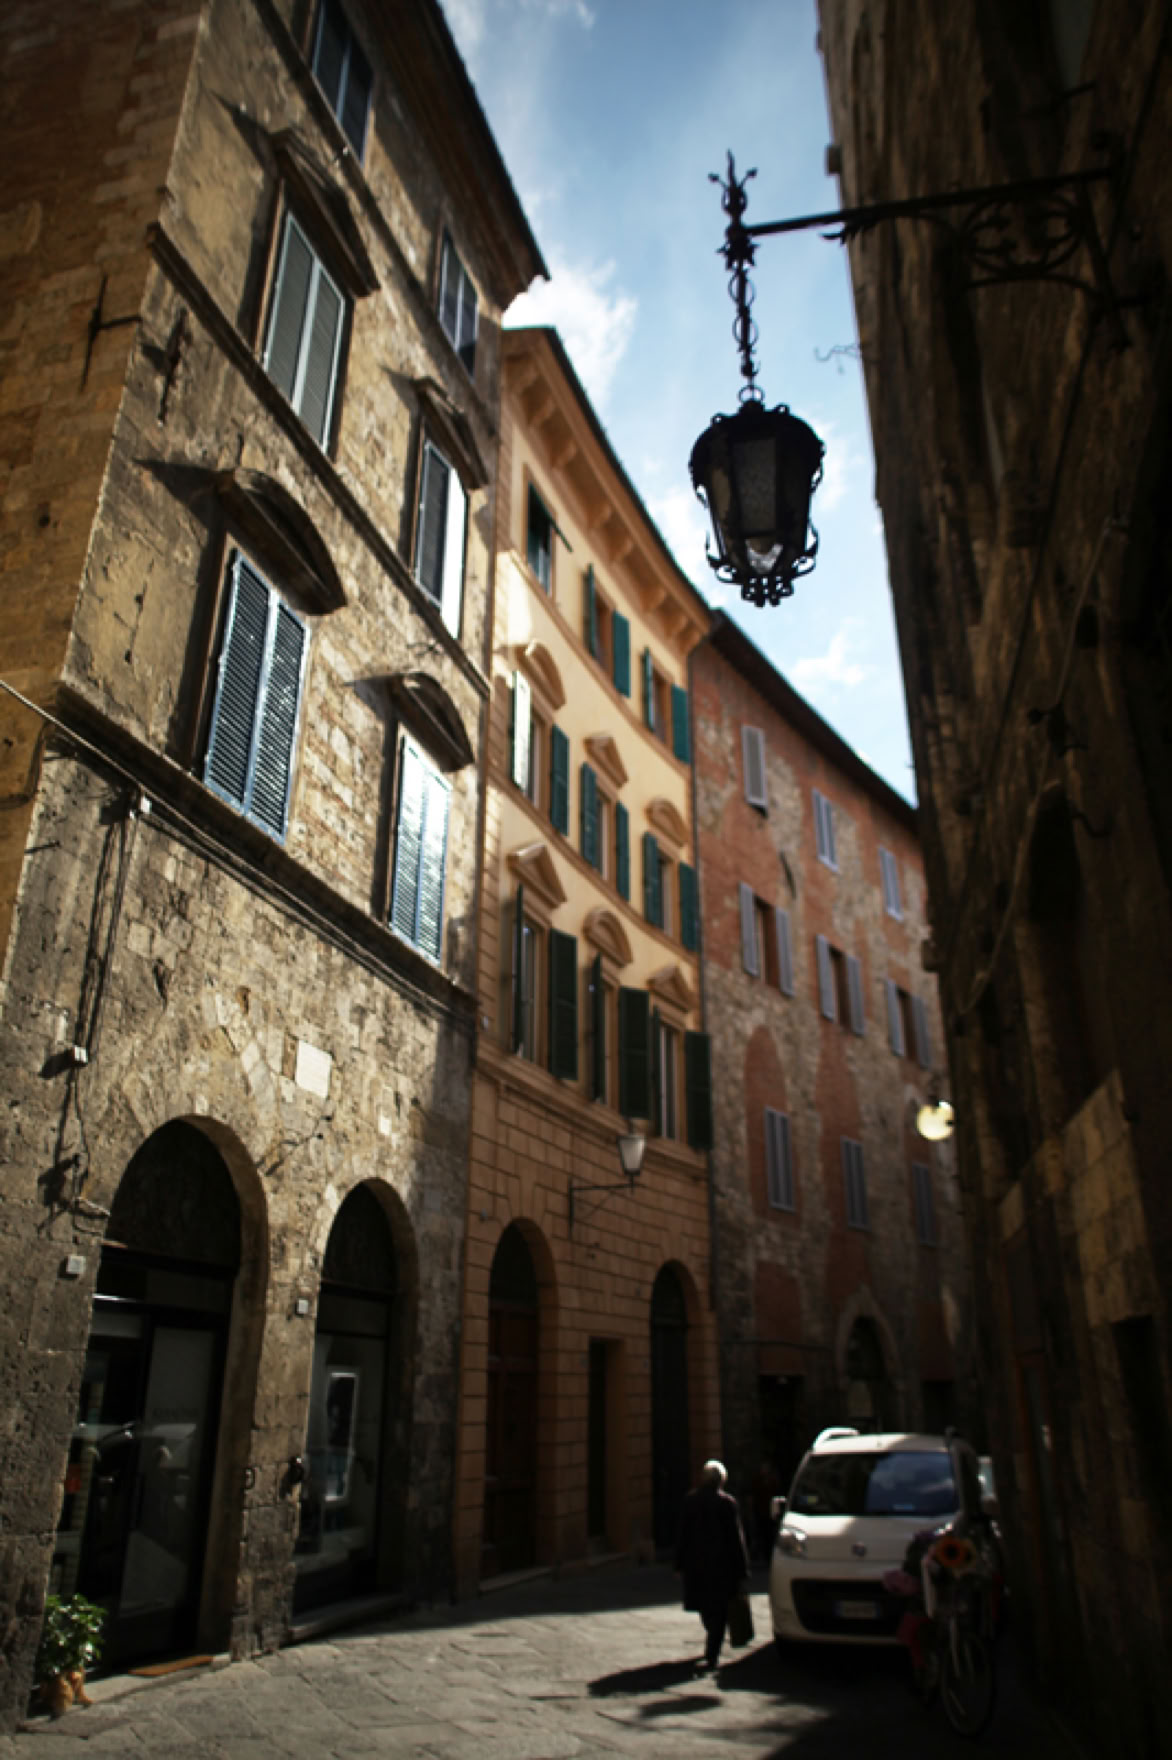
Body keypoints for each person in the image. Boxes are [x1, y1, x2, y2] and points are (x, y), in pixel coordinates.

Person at [674, 1458, 750, 1671]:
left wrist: (678, 1564)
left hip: (696, 1566)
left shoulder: (690, 1501)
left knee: (705, 1607)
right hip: (721, 1567)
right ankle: (713, 1650)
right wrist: (742, 1570)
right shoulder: (727, 1503)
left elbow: (682, 1535)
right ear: (721, 1481)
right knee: (720, 1609)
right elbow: (736, 1540)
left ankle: (712, 1644)